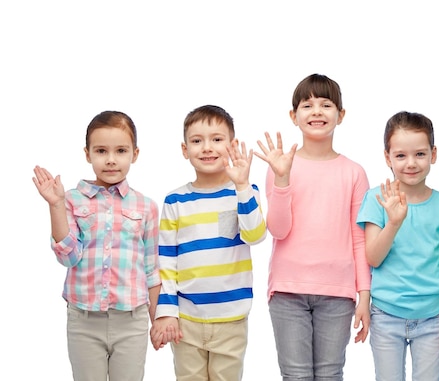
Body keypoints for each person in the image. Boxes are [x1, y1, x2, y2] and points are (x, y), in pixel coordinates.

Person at [254, 73, 371, 380]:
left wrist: (364, 295)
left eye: (326, 104)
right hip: (288, 290)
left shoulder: (354, 173)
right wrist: (281, 179)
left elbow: (360, 239)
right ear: (294, 116)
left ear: (340, 115)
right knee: (296, 375)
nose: (317, 111)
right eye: (307, 105)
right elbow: (277, 230)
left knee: (331, 374)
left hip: (338, 292)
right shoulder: (282, 165)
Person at [32, 111, 161, 381]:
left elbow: (151, 269)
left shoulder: (146, 206)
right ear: (88, 154)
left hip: (132, 320)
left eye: (121, 150)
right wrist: (55, 205)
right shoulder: (71, 200)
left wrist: (157, 319)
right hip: (84, 320)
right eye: (101, 150)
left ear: (134, 154)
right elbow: (68, 257)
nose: (111, 159)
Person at [149, 105, 267, 381]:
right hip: (186, 318)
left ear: (232, 145)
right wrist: (165, 312)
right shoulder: (175, 201)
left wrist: (242, 187)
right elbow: (165, 260)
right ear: (184, 149)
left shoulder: (245, 192)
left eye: (217, 139)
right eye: (197, 140)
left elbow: (256, 235)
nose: (207, 148)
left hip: (232, 317)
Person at [356, 111, 439, 381]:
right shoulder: (376, 198)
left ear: (433, 155)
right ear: (387, 157)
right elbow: (373, 258)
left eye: (420, 154)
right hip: (386, 315)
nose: (411, 163)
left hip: (433, 317)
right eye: (400, 155)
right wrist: (394, 222)